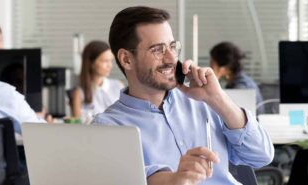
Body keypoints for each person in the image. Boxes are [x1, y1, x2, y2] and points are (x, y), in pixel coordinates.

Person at [92, 6, 274, 185]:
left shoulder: (204, 101)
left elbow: (261, 156)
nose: (171, 58)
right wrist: (174, 180)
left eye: (172, 46)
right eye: (158, 50)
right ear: (126, 59)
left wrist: (217, 98)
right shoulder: (108, 128)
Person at [71, 41, 124, 123]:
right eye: (105, 61)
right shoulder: (79, 93)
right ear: (91, 63)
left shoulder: (118, 86)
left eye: (111, 61)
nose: (110, 65)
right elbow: (78, 127)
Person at [209, 41, 265, 113]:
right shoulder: (236, 82)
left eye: (212, 64)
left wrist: (213, 79)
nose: (210, 68)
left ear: (224, 68)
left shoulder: (241, 88)